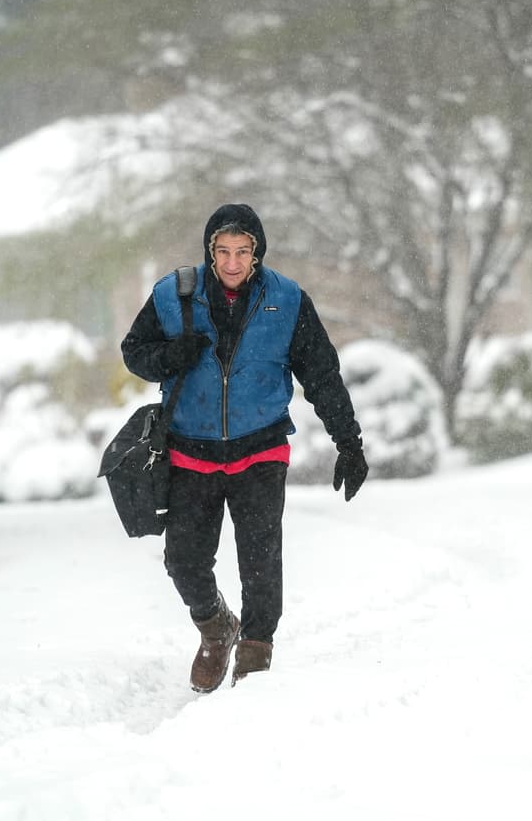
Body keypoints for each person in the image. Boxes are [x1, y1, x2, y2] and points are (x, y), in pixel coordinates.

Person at [121, 203, 368, 692]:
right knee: (184, 561)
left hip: (261, 451)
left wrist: (349, 442)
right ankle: (216, 630)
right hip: (191, 451)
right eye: (223, 251)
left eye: (243, 251)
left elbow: (321, 375)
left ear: (257, 254)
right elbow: (135, 352)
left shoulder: (288, 300)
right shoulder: (175, 295)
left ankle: (256, 652)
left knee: (259, 559)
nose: (232, 262)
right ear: (209, 253)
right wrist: (169, 356)